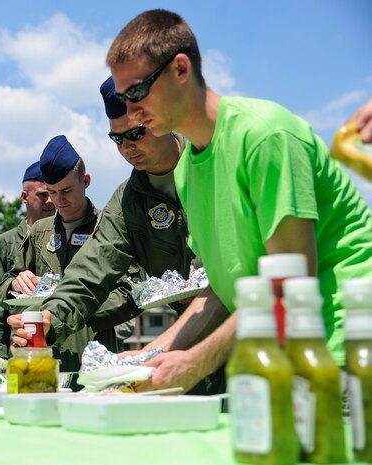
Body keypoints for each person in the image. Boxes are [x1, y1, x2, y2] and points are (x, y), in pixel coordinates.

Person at [101, 9, 372, 392]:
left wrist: (194, 363)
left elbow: (291, 284)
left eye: (136, 93)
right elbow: (219, 290)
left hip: (343, 355)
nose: (131, 113)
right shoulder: (187, 170)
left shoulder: (265, 135)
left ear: (181, 69)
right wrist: (151, 356)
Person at [8, 77, 227, 394]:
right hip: (185, 350)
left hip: (255, 337)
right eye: (117, 139)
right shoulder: (128, 202)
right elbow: (91, 270)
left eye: (135, 134)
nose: (127, 148)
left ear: (161, 118)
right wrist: (48, 317)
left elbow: (243, 273)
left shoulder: (214, 166)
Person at [0, 135, 139, 374]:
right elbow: (3, 289)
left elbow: (134, 291)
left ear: (85, 181)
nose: (58, 201)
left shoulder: (112, 227)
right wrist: (16, 282)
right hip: (44, 354)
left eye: (66, 191)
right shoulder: (39, 231)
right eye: (52, 192)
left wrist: (79, 309)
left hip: (94, 351)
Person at [0, 161, 55, 359]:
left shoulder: (66, 238)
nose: (50, 201)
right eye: (42, 194)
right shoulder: (4, 245)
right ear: (24, 198)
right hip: (17, 349)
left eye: (52, 193)